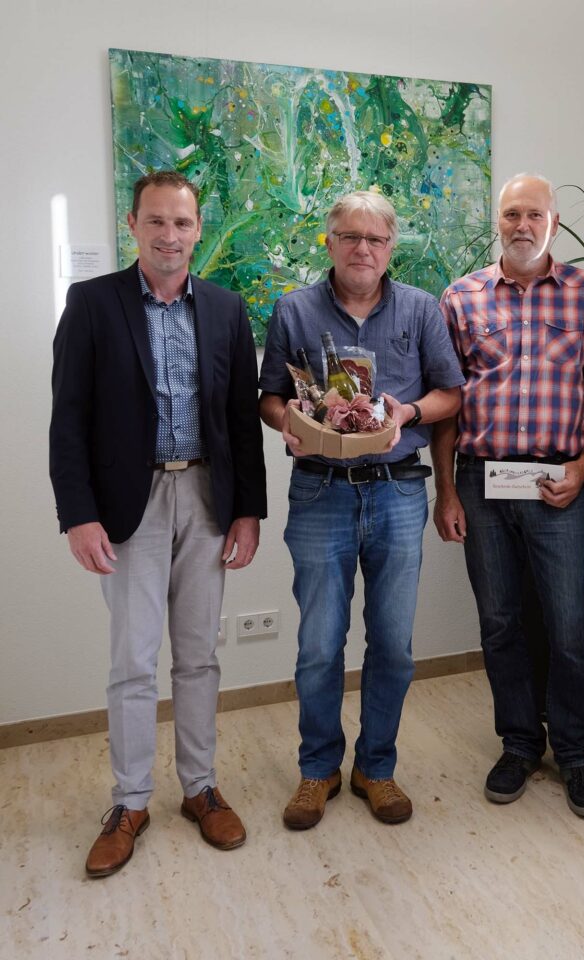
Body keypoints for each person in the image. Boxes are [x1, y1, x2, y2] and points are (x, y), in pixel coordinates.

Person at [50, 170, 267, 877]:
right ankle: (131, 802)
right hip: (127, 505)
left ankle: (200, 788)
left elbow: (240, 422)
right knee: (133, 662)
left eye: (181, 222)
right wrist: (78, 515)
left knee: (199, 656)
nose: (169, 235)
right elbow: (68, 420)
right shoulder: (92, 303)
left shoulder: (226, 308)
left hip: (206, 496)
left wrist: (247, 511)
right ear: (133, 225)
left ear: (198, 229)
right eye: (156, 221)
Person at [259, 190, 463, 828]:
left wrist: (410, 411)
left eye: (375, 239)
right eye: (350, 236)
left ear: (391, 247)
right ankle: (318, 768)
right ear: (330, 242)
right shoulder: (294, 310)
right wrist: (289, 422)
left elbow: (452, 395)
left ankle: (376, 767)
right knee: (320, 645)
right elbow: (268, 397)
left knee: (394, 645)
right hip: (319, 490)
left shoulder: (421, 309)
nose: (362, 249)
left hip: (397, 490)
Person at [431, 173, 584, 819]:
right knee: (500, 623)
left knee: (571, 625)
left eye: (534, 215)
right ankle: (518, 744)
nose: (522, 225)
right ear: (498, 221)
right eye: (512, 213)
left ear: (554, 222)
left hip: (556, 482)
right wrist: (445, 490)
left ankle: (577, 754)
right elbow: (447, 401)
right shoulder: (460, 298)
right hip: (480, 482)